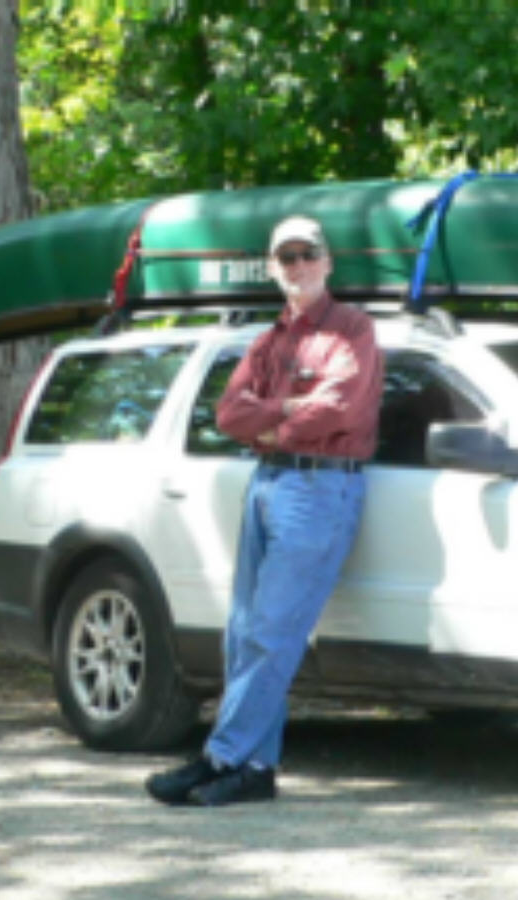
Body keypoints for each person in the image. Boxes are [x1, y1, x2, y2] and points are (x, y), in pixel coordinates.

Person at [146, 215, 383, 807]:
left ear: (328, 263)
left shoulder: (353, 331)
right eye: (286, 257)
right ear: (274, 268)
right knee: (244, 633)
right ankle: (254, 769)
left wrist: (273, 421)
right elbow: (228, 414)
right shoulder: (269, 340)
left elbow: (339, 408)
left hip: (322, 490)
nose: (298, 265)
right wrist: (286, 415)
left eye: (308, 254)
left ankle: (220, 757)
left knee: (272, 633)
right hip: (268, 484)